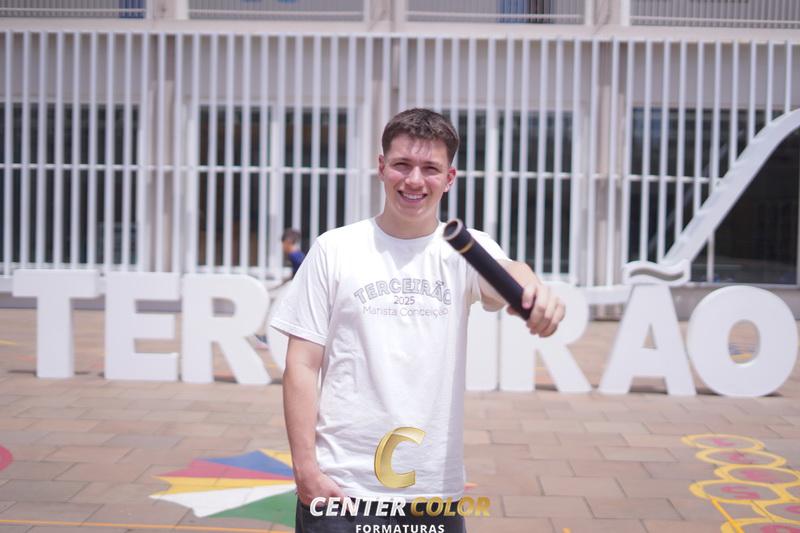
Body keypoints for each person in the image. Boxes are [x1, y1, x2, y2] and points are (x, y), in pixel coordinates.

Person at [271, 108, 565, 532]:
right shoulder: (335, 249)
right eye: (402, 164)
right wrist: (305, 471)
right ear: (381, 167)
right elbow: (301, 364)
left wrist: (533, 288)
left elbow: (508, 272)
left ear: (450, 178)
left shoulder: (465, 249)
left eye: (430, 168)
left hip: (433, 494)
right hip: (341, 489)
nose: (414, 180)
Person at [254, 229, 306, 348]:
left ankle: (267, 339)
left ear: (288, 242)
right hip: (298, 292)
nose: (282, 247)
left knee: (276, 313)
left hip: (297, 293)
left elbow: (301, 273)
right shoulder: (298, 255)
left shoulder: (294, 256)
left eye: (283, 244)